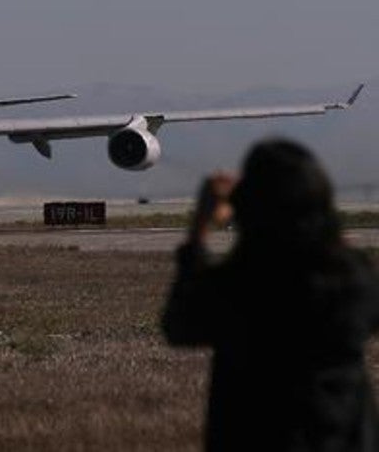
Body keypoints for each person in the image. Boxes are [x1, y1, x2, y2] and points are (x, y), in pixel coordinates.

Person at [162, 138, 379, 451]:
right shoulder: (350, 280)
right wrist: (323, 221)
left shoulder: (238, 285)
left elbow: (179, 325)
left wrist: (199, 229)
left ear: (246, 205)